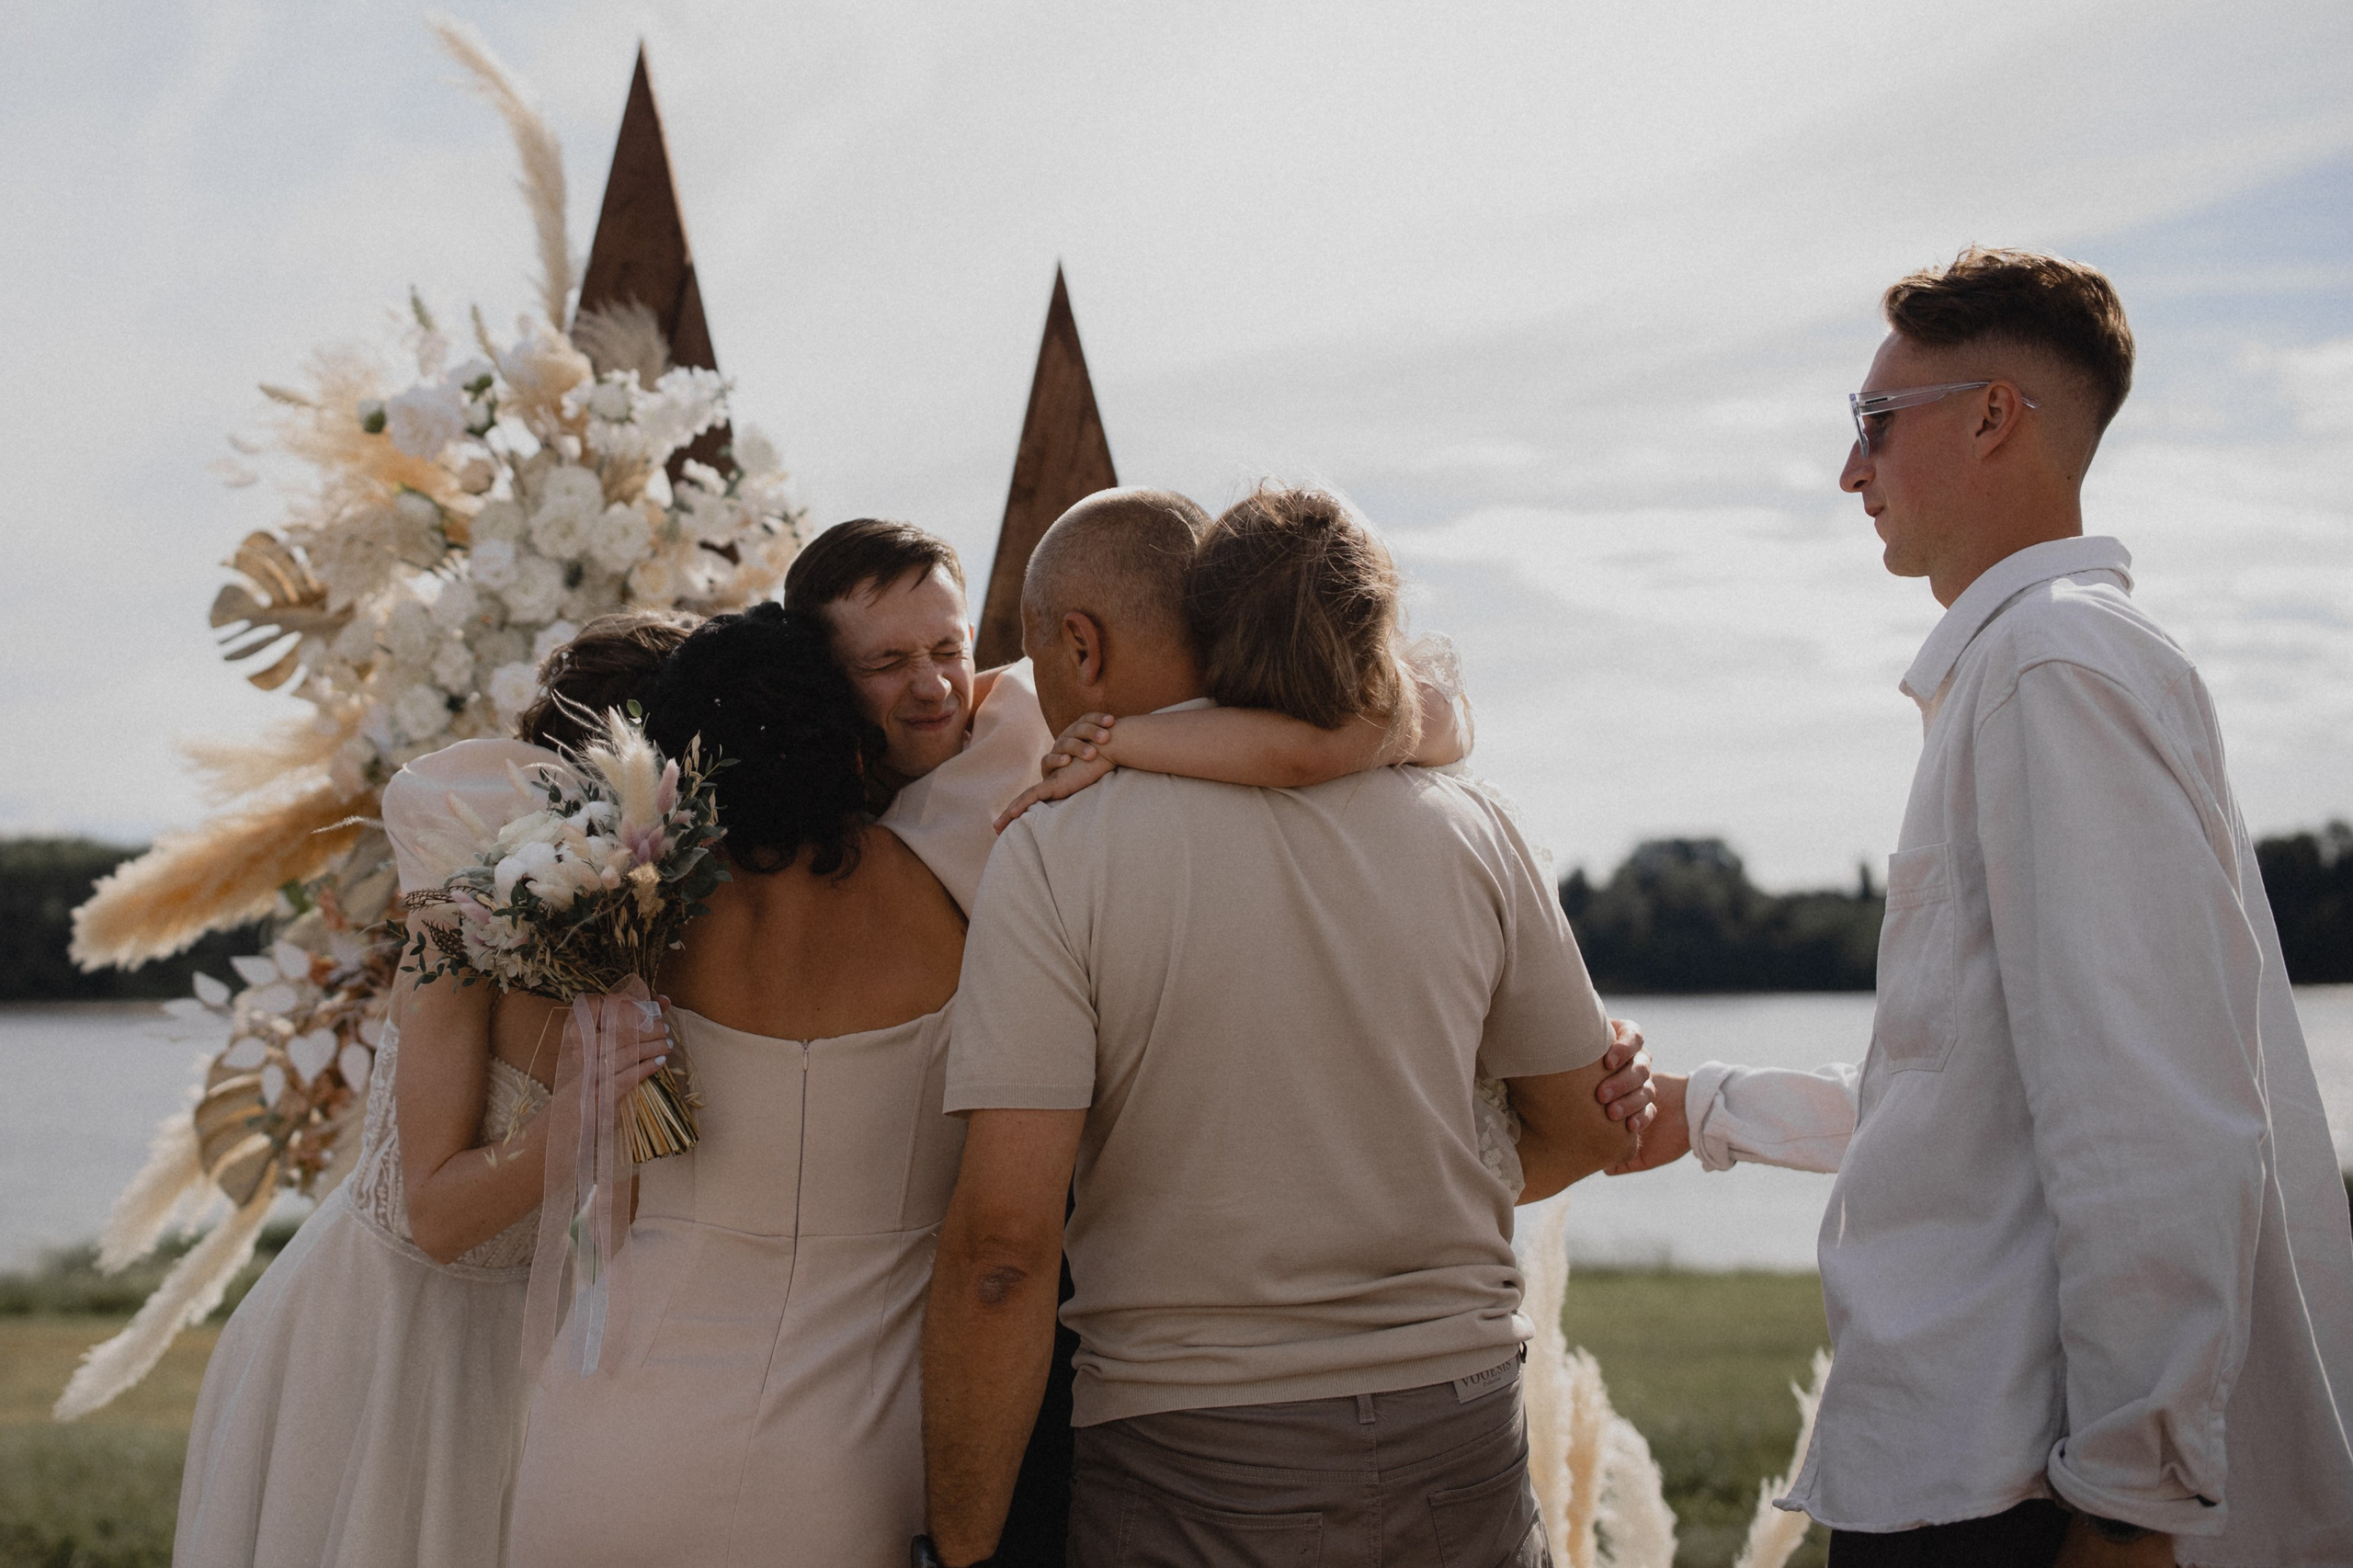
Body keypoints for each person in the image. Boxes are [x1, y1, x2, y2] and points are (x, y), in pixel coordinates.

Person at [1615, 248, 2353, 1567]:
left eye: (1873, 423)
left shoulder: (2051, 666)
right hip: (1976, 1476)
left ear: (1995, 414)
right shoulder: (2045, 663)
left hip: (2012, 1498)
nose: (1853, 470)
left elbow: (2154, 1116)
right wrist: (1704, 1107)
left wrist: (2132, 1505)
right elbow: (1976, 1086)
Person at [919, 485, 1649, 1568]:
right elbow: (1592, 1127)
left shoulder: (1059, 843)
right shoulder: (1467, 820)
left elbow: (1002, 1252)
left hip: (1190, 1467)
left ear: (1079, 643)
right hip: (1465, 1444)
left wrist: (962, 1550)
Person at [174, 612, 682, 1568]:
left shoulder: (667, 938)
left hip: (536, 1353)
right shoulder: (461, 929)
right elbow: (438, 1213)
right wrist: (572, 1120)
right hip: (379, 1351)